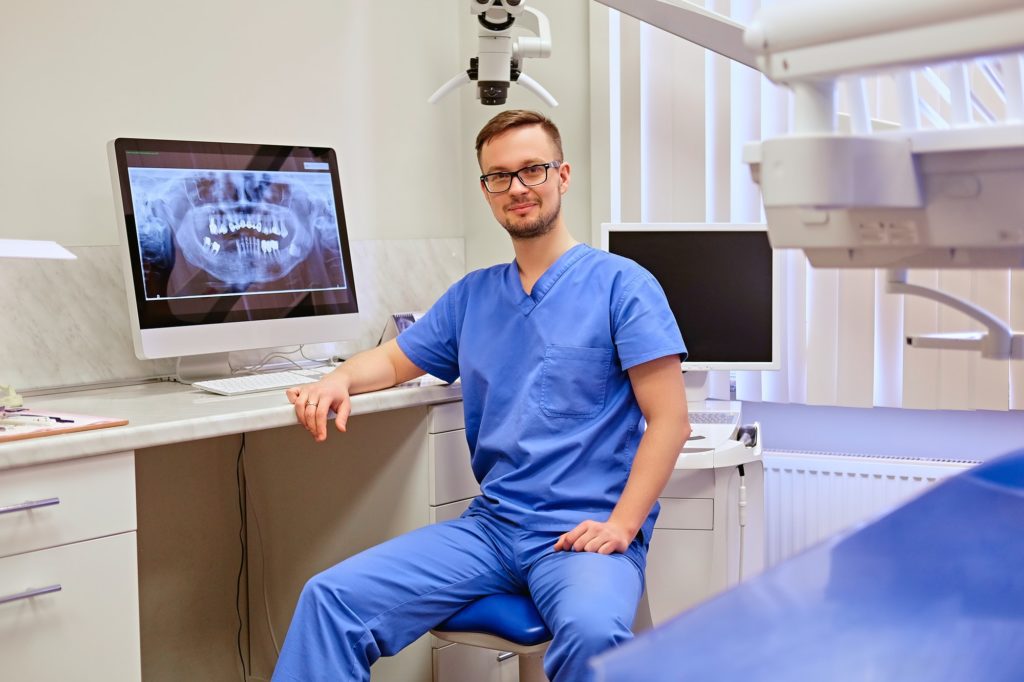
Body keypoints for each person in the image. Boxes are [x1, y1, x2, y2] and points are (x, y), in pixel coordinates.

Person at [272, 110, 691, 682]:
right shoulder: (473, 296)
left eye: (532, 170)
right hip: (492, 529)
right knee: (330, 600)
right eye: (499, 176)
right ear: (486, 191)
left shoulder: (624, 286)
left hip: (583, 532)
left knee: (594, 635)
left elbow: (670, 421)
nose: (517, 188)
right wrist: (339, 378)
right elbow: (396, 359)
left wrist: (621, 525)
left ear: (562, 176)